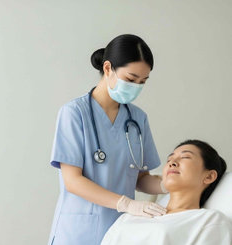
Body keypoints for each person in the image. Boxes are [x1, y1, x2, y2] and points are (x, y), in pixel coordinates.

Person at [48, 34, 168, 245]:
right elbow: (73, 181)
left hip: (120, 230)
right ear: (107, 69)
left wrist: (171, 184)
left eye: (142, 82)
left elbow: (141, 179)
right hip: (78, 231)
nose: (136, 87)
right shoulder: (74, 113)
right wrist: (126, 203)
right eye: (131, 79)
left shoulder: (137, 119)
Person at [101, 139, 231, 245]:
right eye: (169, 159)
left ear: (209, 177)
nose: (172, 163)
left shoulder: (209, 221)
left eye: (185, 157)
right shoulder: (133, 215)